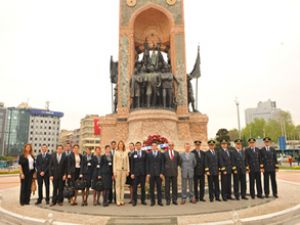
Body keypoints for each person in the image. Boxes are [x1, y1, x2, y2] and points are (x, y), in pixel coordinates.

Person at [147, 142, 164, 206]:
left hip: (159, 174)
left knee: (159, 188)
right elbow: (147, 164)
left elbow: (162, 164)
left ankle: (160, 202)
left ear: (157, 147)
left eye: (155, 146)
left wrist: (162, 173)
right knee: (151, 189)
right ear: (151, 147)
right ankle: (152, 202)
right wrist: (148, 173)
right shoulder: (149, 154)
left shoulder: (160, 154)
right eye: (153, 146)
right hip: (151, 174)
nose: (154, 147)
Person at [163, 141, 180, 205]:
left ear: (173, 146)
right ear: (168, 146)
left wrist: (174, 166)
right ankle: (168, 200)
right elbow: (163, 163)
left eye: (172, 145)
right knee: (167, 187)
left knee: (174, 187)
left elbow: (178, 162)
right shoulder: (164, 153)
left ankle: (174, 200)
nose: (170, 146)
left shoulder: (177, 153)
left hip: (174, 172)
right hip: (167, 173)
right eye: (169, 145)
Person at [113, 141, 130, 206]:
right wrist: (114, 171)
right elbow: (114, 162)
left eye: (122, 144)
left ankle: (122, 200)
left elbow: (127, 162)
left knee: (122, 186)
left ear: (123, 145)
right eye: (119, 144)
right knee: (117, 186)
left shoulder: (126, 153)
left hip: (124, 171)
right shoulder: (116, 152)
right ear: (118, 145)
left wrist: (128, 170)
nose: (121, 145)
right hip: (117, 170)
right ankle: (118, 201)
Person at [130, 141, 147, 206]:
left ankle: (143, 200)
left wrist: (147, 172)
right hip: (135, 174)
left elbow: (146, 163)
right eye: (137, 145)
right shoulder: (133, 154)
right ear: (135, 146)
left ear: (141, 146)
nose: (138, 146)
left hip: (143, 173)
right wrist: (132, 173)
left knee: (143, 188)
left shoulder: (144, 153)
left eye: (139, 145)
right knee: (135, 188)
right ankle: (134, 201)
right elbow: (132, 164)